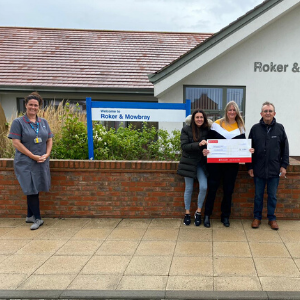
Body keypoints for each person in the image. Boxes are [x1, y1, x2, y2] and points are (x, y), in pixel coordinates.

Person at [203, 101, 253, 228]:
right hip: (216, 164)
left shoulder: (240, 127)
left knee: (228, 190)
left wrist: (248, 150)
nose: (232, 112)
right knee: (212, 188)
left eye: (234, 110)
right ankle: (207, 215)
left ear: (237, 112)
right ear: (226, 111)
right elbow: (209, 141)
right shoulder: (217, 124)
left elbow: (242, 145)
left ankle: (225, 216)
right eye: (229, 110)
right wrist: (206, 149)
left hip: (231, 165)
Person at [8, 92, 53, 230]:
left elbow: (49, 139)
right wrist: (33, 156)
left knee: (35, 187)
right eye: (31, 104)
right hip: (26, 162)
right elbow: (16, 143)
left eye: (36, 105)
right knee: (31, 188)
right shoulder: (18, 122)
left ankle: (29, 215)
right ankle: (38, 219)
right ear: (26, 105)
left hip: (41, 160)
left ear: (39, 107)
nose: (33, 107)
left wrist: (47, 154)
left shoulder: (43, 122)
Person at [247, 101, 289, 230]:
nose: (268, 113)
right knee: (258, 196)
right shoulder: (255, 129)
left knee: (272, 196)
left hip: (274, 169)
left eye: (270, 111)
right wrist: (249, 167)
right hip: (258, 169)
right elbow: (248, 149)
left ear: (274, 113)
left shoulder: (280, 128)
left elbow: (285, 148)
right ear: (261, 113)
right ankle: (257, 218)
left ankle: (272, 218)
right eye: (265, 111)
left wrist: (284, 165)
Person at [177, 110, 209, 226]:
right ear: (193, 119)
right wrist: (199, 144)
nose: (199, 119)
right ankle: (187, 213)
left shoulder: (207, 130)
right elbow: (184, 146)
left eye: (201, 117)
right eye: (197, 117)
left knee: (204, 187)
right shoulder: (186, 129)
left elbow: (211, 145)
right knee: (189, 188)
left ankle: (198, 212)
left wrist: (207, 150)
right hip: (189, 162)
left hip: (201, 163)